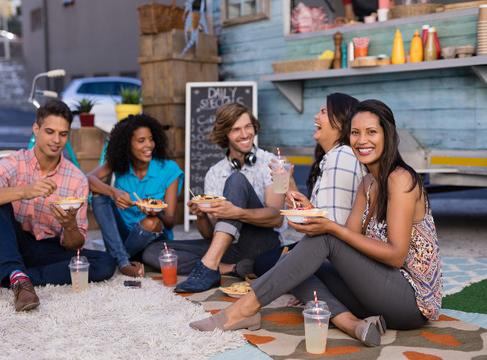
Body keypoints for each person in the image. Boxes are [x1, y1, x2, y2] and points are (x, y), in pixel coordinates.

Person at [189, 99, 442, 348]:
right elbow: (347, 244)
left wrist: (328, 227)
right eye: (355, 132)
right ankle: (351, 323)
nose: (362, 140)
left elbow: (397, 255)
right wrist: (313, 214)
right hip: (375, 294)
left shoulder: (400, 179)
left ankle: (243, 309)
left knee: (323, 236)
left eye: (371, 132)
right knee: (295, 262)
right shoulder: (368, 184)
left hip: (410, 303)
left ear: (388, 135)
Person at [0, 100, 116, 312]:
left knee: (105, 263)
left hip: (49, 248)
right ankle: (19, 281)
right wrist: (24, 191)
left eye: (63, 134)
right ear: (36, 129)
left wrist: (70, 225)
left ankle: (11, 275)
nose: (56, 140)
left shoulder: (77, 179)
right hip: (9, 243)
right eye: (50, 131)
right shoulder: (14, 163)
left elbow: (75, 244)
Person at [142, 102, 286, 293]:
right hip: (229, 249)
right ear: (225, 134)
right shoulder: (214, 173)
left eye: (248, 126)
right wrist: (201, 216)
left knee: (236, 180)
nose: (244, 134)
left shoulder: (273, 164)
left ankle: (209, 267)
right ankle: (232, 269)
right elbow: (209, 235)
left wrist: (237, 212)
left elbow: (277, 217)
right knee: (155, 251)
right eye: (236, 129)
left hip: (263, 243)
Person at [253, 92, 365, 276]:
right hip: (328, 245)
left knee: (263, 263)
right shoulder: (335, 157)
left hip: (337, 254)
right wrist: (290, 186)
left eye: (323, 111)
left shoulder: (341, 158)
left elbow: (332, 230)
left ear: (341, 121)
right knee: (264, 261)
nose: (316, 116)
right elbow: (319, 215)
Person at [87, 114, 184, 278]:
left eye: (151, 139)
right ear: (127, 145)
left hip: (153, 238)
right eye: (141, 141)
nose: (149, 145)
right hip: (124, 234)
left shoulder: (169, 169)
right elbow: (88, 179)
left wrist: (156, 211)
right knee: (98, 194)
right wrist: (113, 192)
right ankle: (124, 261)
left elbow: (169, 222)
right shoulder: (120, 164)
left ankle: (118, 259)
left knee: (151, 222)